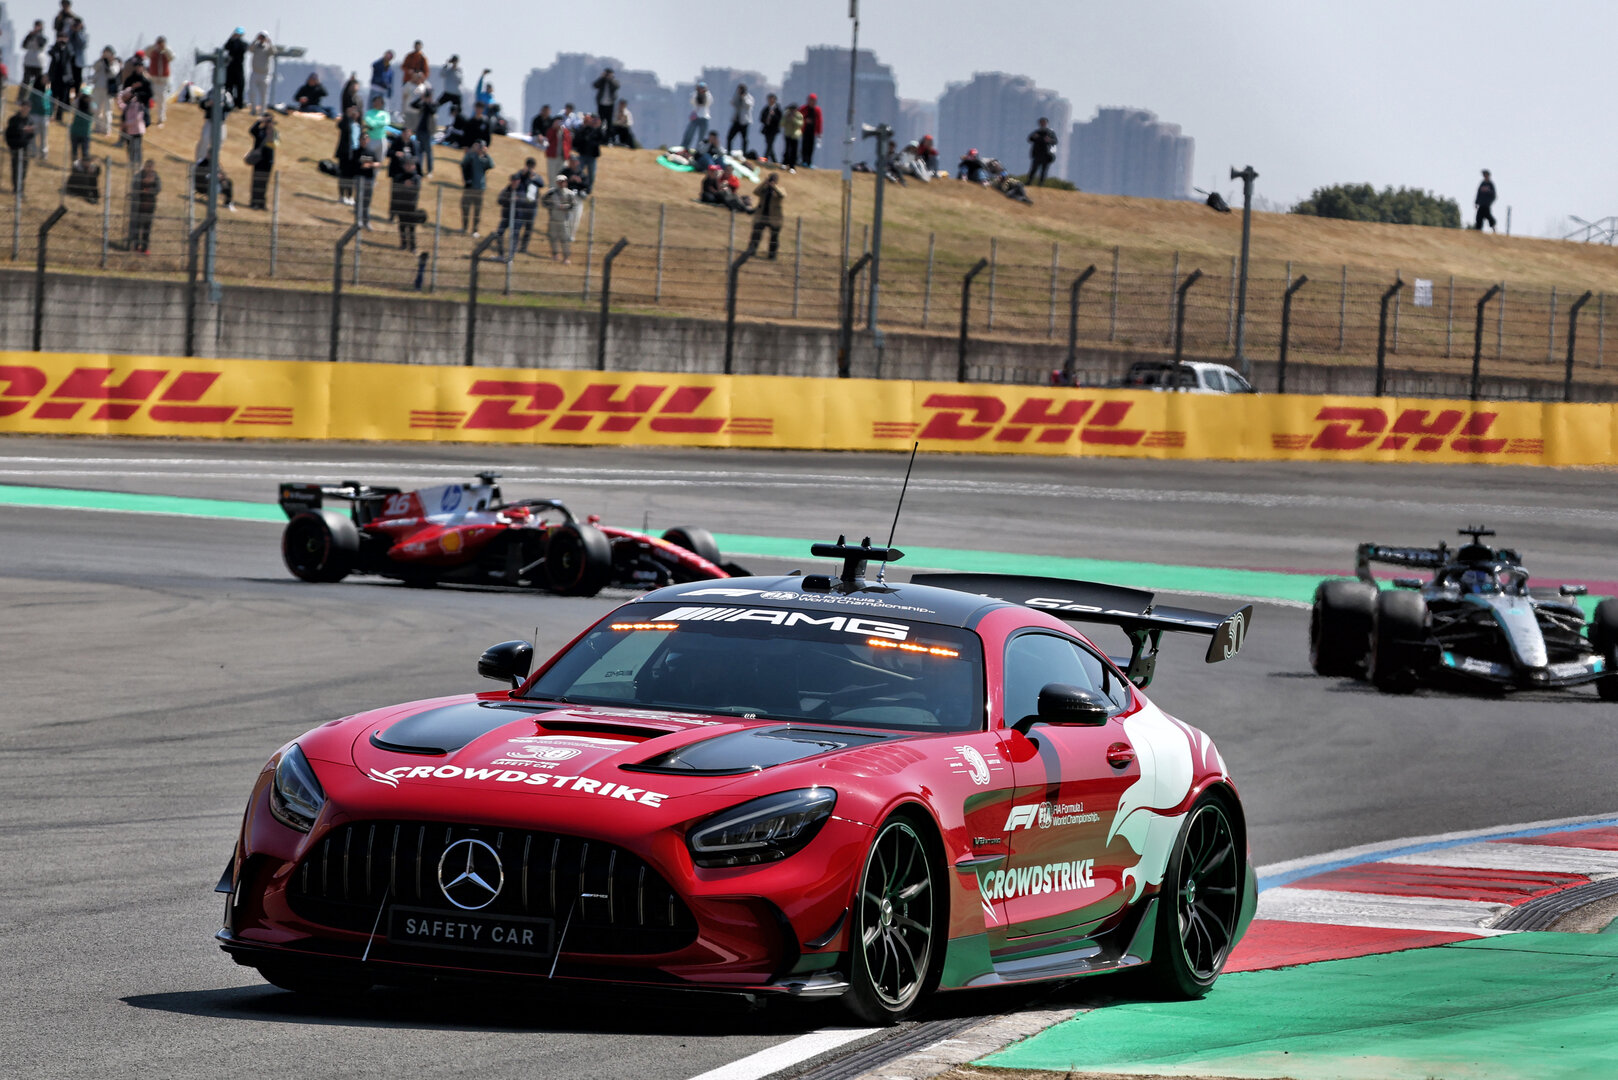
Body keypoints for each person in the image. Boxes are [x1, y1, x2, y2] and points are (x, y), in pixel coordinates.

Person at [745, 172, 784, 258]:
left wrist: (774, 187)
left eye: (773, 180)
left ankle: (772, 255)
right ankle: (751, 251)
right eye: (771, 179)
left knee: (774, 238)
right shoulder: (764, 189)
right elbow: (756, 192)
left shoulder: (779, 189)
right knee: (756, 234)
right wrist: (764, 183)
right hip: (762, 216)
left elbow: (782, 195)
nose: (772, 181)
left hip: (774, 218)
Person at [459, 140, 493, 234]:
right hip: (470, 187)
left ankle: (475, 230)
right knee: (465, 207)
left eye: (481, 147)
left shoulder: (484, 159)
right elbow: (463, 164)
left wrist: (486, 154)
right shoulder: (471, 156)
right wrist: (471, 151)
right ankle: (464, 227)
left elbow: (491, 165)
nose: (480, 149)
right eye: (479, 147)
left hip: (480, 188)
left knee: (477, 210)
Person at [127, 158, 160, 252]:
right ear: (145, 166)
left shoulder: (156, 177)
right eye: (147, 166)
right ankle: (136, 246)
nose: (149, 169)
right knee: (137, 227)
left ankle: (145, 248)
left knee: (147, 229)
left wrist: (150, 189)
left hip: (150, 207)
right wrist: (142, 186)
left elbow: (158, 188)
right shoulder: (138, 176)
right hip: (138, 206)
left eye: (151, 167)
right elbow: (134, 187)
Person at [541, 181, 577, 263]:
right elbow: (543, 200)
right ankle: (555, 255)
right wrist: (551, 206)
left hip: (564, 220)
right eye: (560, 182)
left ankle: (566, 257)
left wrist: (565, 207)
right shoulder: (552, 192)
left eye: (563, 182)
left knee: (564, 239)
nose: (562, 184)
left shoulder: (569, 193)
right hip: (553, 218)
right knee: (552, 237)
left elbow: (573, 205)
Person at [393, 155, 423, 251]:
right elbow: (396, 190)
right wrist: (404, 185)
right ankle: (403, 244)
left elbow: (415, 190)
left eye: (411, 165)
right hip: (401, 205)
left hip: (412, 206)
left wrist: (405, 186)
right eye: (407, 165)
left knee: (411, 228)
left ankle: (413, 246)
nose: (408, 167)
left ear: (414, 166)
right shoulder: (399, 177)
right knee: (402, 226)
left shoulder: (417, 178)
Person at [513, 157, 543, 251]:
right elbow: (515, 179)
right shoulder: (521, 174)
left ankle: (523, 247)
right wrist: (523, 174)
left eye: (532, 166)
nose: (530, 168)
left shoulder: (536, 176)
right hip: (521, 205)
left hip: (532, 206)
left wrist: (533, 177)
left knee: (529, 228)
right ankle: (514, 246)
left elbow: (541, 184)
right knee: (517, 226)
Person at [247, 111, 276, 209]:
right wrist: (259, 121)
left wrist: (271, 128)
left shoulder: (273, 133)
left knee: (264, 182)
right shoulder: (260, 131)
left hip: (268, 160)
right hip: (259, 159)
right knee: (256, 181)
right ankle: (254, 202)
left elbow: (275, 144)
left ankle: (262, 203)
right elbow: (252, 130)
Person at [335, 104, 362, 203]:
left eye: (356, 112)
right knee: (343, 175)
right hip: (345, 153)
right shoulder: (347, 122)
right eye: (353, 112)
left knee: (352, 176)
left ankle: (350, 196)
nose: (354, 114)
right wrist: (347, 115)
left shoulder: (358, 126)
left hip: (354, 154)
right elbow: (340, 126)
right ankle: (342, 195)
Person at [5, 104, 33, 192]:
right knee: (16, 168)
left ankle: (21, 188)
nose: (26, 109)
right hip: (15, 147)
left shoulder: (29, 120)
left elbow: (31, 135)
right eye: (24, 107)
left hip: (25, 147)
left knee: (24, 169)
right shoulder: (14, 119)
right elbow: (9, 133)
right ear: (21, 107)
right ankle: (16, 188)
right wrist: (22, 130)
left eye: (27, 108)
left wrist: (30, 132)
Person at [90, 45, 119, 134]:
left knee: (107, 111)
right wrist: (101, 60)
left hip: (108, 90)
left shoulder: (115, 63)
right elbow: (94, 68)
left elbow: (113, 73)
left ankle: (107, 130)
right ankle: (97, 127)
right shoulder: (100, 62)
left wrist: (109, 63)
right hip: (98, 88)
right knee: (96, 109)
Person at [490, 172, 519, 255]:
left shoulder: (521, 190)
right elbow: (499, 200)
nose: (514, 182)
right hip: (506, 217)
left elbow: (527, 202)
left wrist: (518, 200)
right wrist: (509, 200)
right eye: (513, 180)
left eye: (516, 180)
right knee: (499, 233)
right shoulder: (506, 190)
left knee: (514, 236)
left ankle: (511, 256)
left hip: (517, 218)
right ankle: (501, 254)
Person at [117, 82, 146, 167]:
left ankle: (139, 165)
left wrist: (126, 124)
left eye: (126, 95)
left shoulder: (137, 104)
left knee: (137, 148)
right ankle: (131, 163)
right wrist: (120, 94)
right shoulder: (128, 105)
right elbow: (120, 106)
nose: (125, 97)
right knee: (130, 148)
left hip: (137, 131)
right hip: (130, 131)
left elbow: (137, 119)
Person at [574, 113, 604, 192]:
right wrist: (586, 126)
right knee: (578, 171)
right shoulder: (585, 129)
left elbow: (602, 139)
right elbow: (577, 139)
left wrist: (598, 127)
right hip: (583, 154)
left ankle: (589, 189)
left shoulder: (598, 130)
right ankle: (577, 186)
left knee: (591, 174)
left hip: (592, 156)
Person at [147, 36, 173, 124]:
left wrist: (165, 49)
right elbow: (146, 53)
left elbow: (172, 57)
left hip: (163, 80)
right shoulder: (152, 51)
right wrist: (154, 47)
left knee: (162, 99)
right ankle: (148, 116)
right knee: (151, 98)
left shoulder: (167, 51)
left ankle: (161, 118)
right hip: (153, 79)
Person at [223, 29, 248, 115]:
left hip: (239, 67)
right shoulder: (231, 42)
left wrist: (237, 40)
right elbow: (226, 47)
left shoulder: (243, 43)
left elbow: (243, 49)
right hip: (230, 67)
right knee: (228, 86)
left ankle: (239, 104)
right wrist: (232, 39)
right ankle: (229, 102)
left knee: (240, 86)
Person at [247, 32, 273, 114]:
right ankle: (253, 109)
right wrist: (256, 40)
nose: (262, 39)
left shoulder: (268, 47)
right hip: (255, 73)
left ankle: (263, 111)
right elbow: (250, 49)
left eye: (263, 37)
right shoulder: (255, 47)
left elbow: (273, 52)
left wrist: (269, 42)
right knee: (252, 92)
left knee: (264, 94)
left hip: (264, 74)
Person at [544, 110, 572, 184]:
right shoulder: (551, 130)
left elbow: (568, 143)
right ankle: (552, 190)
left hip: (562, 157)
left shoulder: (566, 131)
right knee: (552, 175)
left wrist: (567, 154)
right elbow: (548, 139)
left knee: (562, 175)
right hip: (553, 157)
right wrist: (554, 129)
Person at [681, 80, 711, 149]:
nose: (701, 90)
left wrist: (704, 94)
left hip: (704, 117)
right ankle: (684, 147)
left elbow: (708, 103)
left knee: (702, 136)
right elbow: (692, 102)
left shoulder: (708, 95)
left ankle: (699, 149)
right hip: (695, 117)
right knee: (689, 133)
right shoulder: (695, 94)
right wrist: (698, 95)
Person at [1028, 117, 1057, 185]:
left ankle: (1041, 184)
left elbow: (1055, 141)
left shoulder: (1050, 132)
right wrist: (1034, 137)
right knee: (1033, 169)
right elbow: (1029, 139)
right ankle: (1029, 182)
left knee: (1044, 170)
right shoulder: (1037, 132)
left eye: (1044, 122)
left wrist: (1049, 140)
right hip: (1037, 154)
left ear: (1047, 123)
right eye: (1041, 122)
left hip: (1046, 154)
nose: (1043, 123)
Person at [25, 76, 50, 158]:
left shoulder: (48, 91)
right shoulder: (34, 90)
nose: (45, 80)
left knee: (44, 136)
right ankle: (33, 152)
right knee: (33, 134)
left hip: (45, 116)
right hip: (34, 114)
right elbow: (29, 100)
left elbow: (50, 103)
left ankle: (43, 153)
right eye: (44, 78)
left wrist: (51, 113)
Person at [22, 21, 47, 98]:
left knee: (38, 83)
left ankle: (37, 98)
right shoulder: (30, 36)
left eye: (39, 26)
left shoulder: (43, 37)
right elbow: (24, 45)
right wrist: (29, 35)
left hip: (38, 63)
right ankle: (22, 98)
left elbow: (41, 44)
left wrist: (37, 34)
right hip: (28, 62)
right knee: (25, 82)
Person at [726, 82, 753, 155]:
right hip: (736, 121)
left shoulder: (748, 97)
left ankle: (744, 153)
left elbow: (748, 105)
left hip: (744, 122)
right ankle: (729, 152)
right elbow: (733, 103)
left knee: (744, 139)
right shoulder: (736, 96)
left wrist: (743, 97)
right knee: (729, 137)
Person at [592, 67, 618, 138]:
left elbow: (616, 87)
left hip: (610, 104)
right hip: (601, 104)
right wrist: (602, 78)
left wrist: (610, 79)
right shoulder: (602, 81)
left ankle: (608, 138)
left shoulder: (614, 81)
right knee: (600, 121)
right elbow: (595, 85)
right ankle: (599, 137)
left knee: (609, 122)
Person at [798, 93, 822, 168]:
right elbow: (798, 118)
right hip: (804, 131)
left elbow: (820, 121)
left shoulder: (817, 110)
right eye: (811, 100)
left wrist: (819, 132)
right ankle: (804, 161)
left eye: (813, 100)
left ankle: (809, 162)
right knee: (804, 146)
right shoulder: (803, 108)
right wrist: (805, 120)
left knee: (811, 147)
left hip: (813, 132)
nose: (812, 102)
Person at [758, 93, 782, 160]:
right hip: (767, 129)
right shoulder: (766, 108)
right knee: (769, 144)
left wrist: (773, 116)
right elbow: (761, 118)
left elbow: (779, 119)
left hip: (773, 130)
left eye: (772, 99)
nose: (770, 100)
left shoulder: (777, 109)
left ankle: (765, 158)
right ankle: (775, 160)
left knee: (769, 144)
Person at [68, 91, 91, 164]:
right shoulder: (78, 106)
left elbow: (95, 107)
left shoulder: (90, 109)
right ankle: (74, 167)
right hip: (75, 132)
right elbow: (73, 104)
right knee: (74, 153)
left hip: (85, 134)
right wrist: (79, 97)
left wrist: (90, 99)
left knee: (85, 153)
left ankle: (84, 168)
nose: (85, 99)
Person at [780, 101, 802, 171]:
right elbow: (781, 124)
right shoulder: (786, 114)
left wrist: (793, 119)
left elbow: (800, 124)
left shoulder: (799, 116)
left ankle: (792, 166)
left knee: (794, 152)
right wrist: (787, 118)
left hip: (795, 135)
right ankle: (784, 163)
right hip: (788, 134)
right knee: (787, 150)